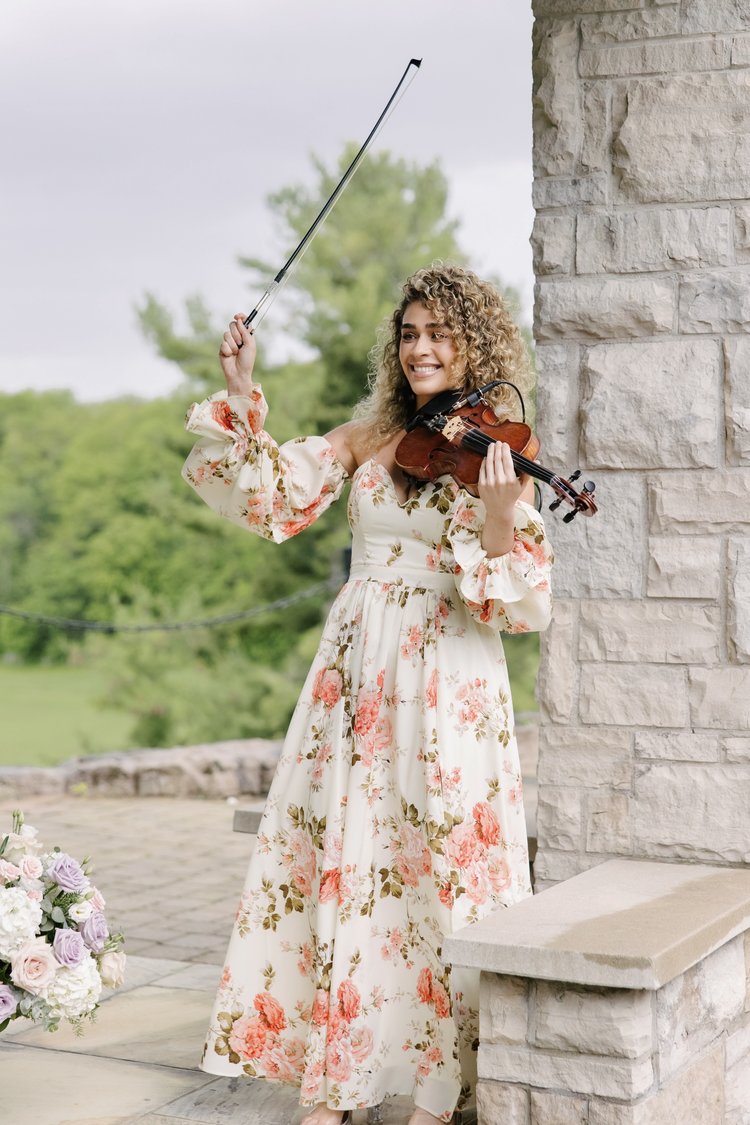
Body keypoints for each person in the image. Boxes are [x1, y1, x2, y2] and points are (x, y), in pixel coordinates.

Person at [182, 264, 553, 1125]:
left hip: (448, 673)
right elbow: (268, 496)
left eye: (440, 334)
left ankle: (434, 1087)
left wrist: (499, 515)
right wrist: (239, 391)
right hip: (356, 670)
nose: (421, 348)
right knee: (353, 863)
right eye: (410, 332)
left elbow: (519, 601)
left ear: (475, 346)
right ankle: (339, 1080)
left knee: (438, 862)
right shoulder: (369, 435)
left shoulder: (499, 454)